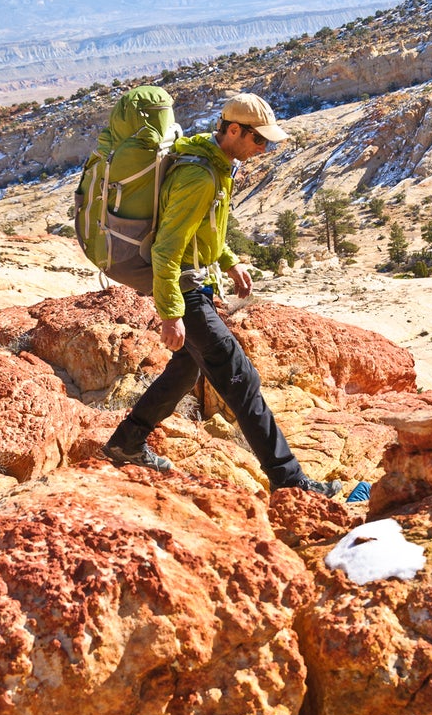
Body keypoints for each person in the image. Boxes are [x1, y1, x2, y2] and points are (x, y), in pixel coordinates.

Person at [104, 92, 342, 497]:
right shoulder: (199, 176)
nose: (264, 149)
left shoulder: (217, 163)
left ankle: (127, 442)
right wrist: (171, 313)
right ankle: (291, 482)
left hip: (197, 280)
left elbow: (203, 228)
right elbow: (166, 248)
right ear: (234, 130)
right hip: (184, 287)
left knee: (186, 369)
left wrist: (229, 260)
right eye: (259, 140)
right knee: (241, 378)